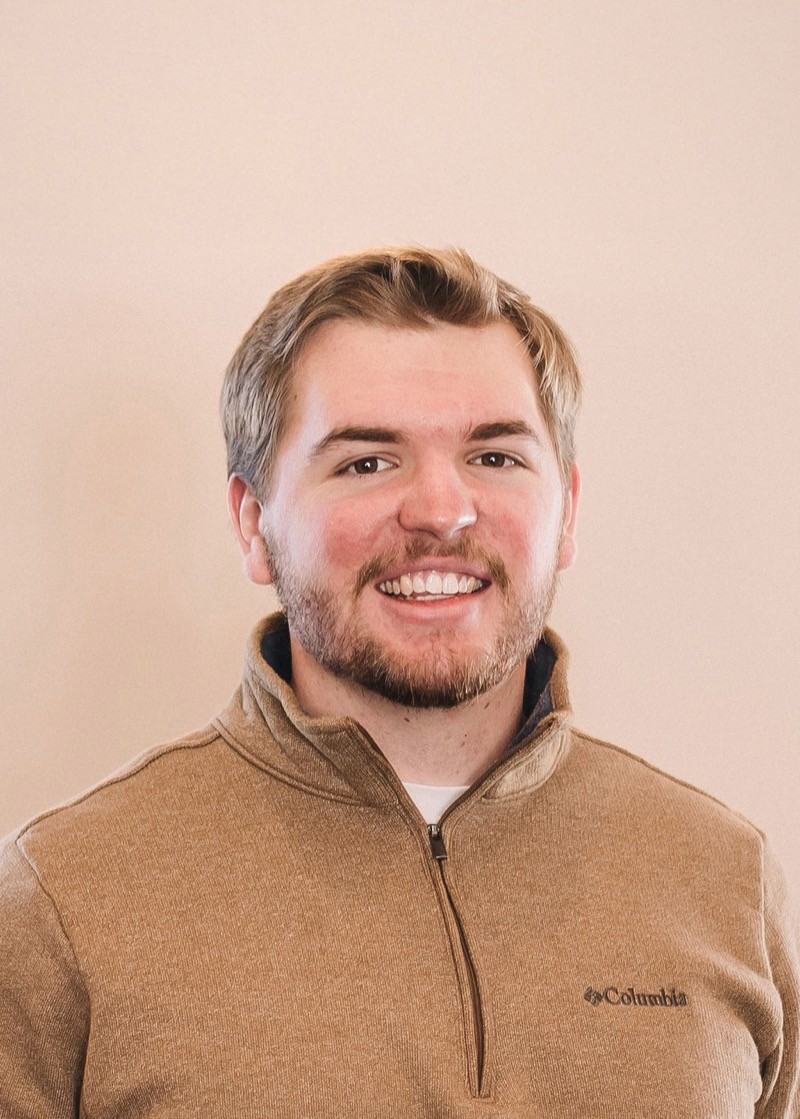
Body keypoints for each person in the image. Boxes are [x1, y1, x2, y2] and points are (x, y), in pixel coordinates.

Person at [1, 247, 797, 1118]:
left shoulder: (725, 878)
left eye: (495, 456)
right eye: (367, 462)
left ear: (567, 509)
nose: (441, 510)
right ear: (252, 522)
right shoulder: (62, 899)